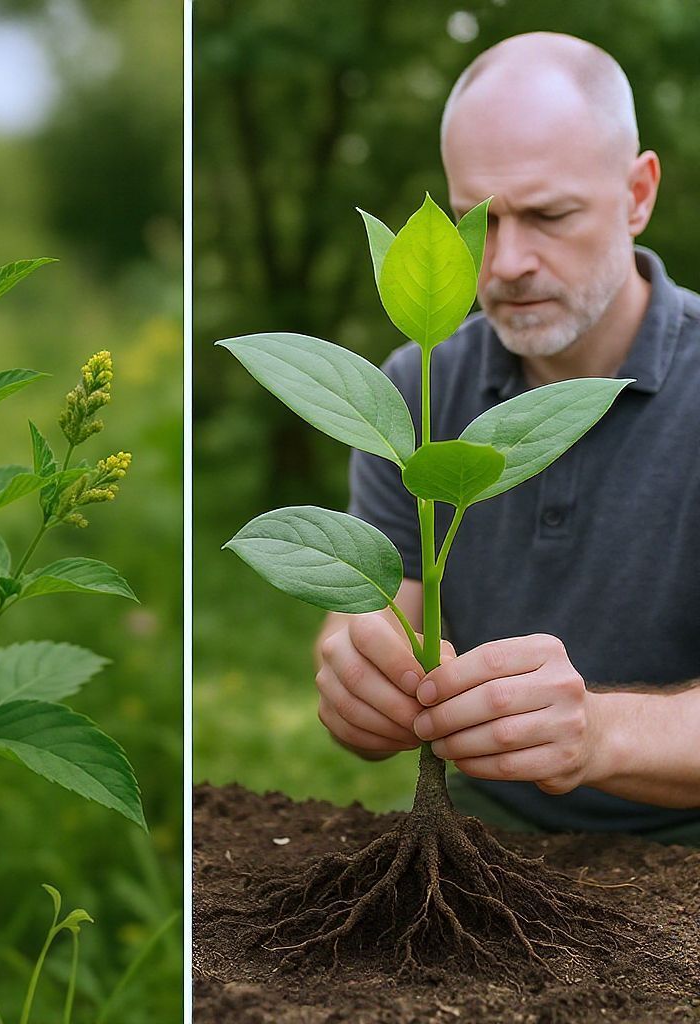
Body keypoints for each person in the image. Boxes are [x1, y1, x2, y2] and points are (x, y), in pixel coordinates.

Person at [315, 31, 700, 840]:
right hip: (483, 836)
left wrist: (600, 734)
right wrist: (359, 662)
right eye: (475, 221)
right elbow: (382, 608)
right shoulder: (413, 388)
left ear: (638, 193)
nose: (507, 262)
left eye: (550, 215)